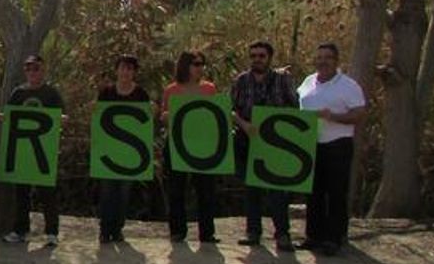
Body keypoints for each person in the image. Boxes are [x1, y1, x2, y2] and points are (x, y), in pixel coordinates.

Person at [297, 43, 366, 256]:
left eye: (327, 58)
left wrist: (333, 117)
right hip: (311, 144)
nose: (322, 61)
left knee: (335, 193)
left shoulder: (348, 85)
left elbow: (359, 114)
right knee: (313, 192)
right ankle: (313, 235)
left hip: (337, 145)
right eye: (319, 57)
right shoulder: (308, 82)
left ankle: (334, 238)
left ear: (336, 61)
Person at [231, 40, 299, 252]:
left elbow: (295, 107)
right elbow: (231, 109)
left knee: (277, 189)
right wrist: (245, 125)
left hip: (276, 143)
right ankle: (253, 231)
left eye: (261, 56)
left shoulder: (282, 79)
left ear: (269, 57)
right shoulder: (241, 81)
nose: (257, 60)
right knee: (252, 188)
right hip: (247, 138)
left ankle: (282, 234)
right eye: (253, 56)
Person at [2, 54, 64, 247]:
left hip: (43, 151)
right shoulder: (18, 94)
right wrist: (0, 118)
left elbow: (60, 116)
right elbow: (10, 116)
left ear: (43, 70)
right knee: (21, 193)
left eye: (36, 68)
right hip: (22, 151)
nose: (32, 72)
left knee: (47, 193)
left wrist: (63, 119)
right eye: (28, 68)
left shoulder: (51, 94)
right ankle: (20, 230)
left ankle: (52, 232)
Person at [161, 50, 219, 244]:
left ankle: (207, 232)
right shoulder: (172, 90)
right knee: (177, 189)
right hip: (178, 144)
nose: (200, 68)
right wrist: (167, 116)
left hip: (203, 144)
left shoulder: (209, 89)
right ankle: (177, 231)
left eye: (202, 64)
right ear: (185, 65)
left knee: (205, 189)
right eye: (196, 64)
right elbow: (164, 116)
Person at [95, 55, 150, 244]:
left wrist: (154, 110)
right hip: (109, 151)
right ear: (117, 70)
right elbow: (98, 117)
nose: (126, 72)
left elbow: (148, 119)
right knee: (107, 191)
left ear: (134, 72)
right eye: (122, 68)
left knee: (124, 193)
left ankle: (117, 229)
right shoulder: (107, 92)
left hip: (131, 153)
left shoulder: (141, 94)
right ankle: (105, 229)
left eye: (129, 69)